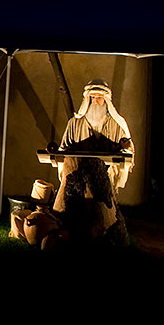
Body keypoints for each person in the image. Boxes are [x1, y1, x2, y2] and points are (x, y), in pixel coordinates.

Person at [41, 78, 134, 244]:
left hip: (104, 176)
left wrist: (124, 148)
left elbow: (127, 148)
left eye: (99, 97)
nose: (96, 101)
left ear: (106, 100)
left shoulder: (116, 125)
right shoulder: (74, 124)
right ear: (88, 100)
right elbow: (64, 147)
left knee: (101, 209)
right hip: (77, 174)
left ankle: (104, 230)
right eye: (93, 97)